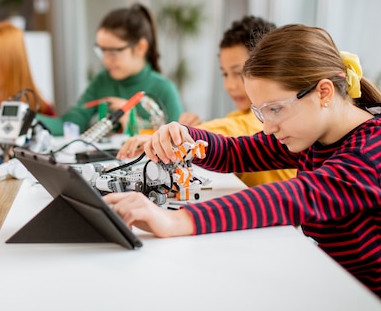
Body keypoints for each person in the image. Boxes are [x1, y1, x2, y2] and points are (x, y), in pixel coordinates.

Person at [103, 24, 381, 311]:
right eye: (261, 112)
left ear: (324, 93)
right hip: (321, 275)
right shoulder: (318, 130)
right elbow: (239, 152)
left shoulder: (377, 149)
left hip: (359, 301)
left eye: (275, 109)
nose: (269, 127)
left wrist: (175, 222)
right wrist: (186, 137)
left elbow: (295, 197)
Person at [118, 15, 296, 186]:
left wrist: (180, 135)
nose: (230, 86)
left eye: (238, 73)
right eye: (225, 74)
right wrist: (189, 132)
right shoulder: (238, 114)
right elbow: (230, 136)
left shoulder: (266, 121)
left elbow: (236, 131)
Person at [37, 3, 183, 135]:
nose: (105, 60)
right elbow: (71, 123)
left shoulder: (165, 90)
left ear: (140, 48)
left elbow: (175, 142)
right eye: (102, 51)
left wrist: (134, 122)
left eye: (113, 53)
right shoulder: (102, 81)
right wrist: (27, 117)